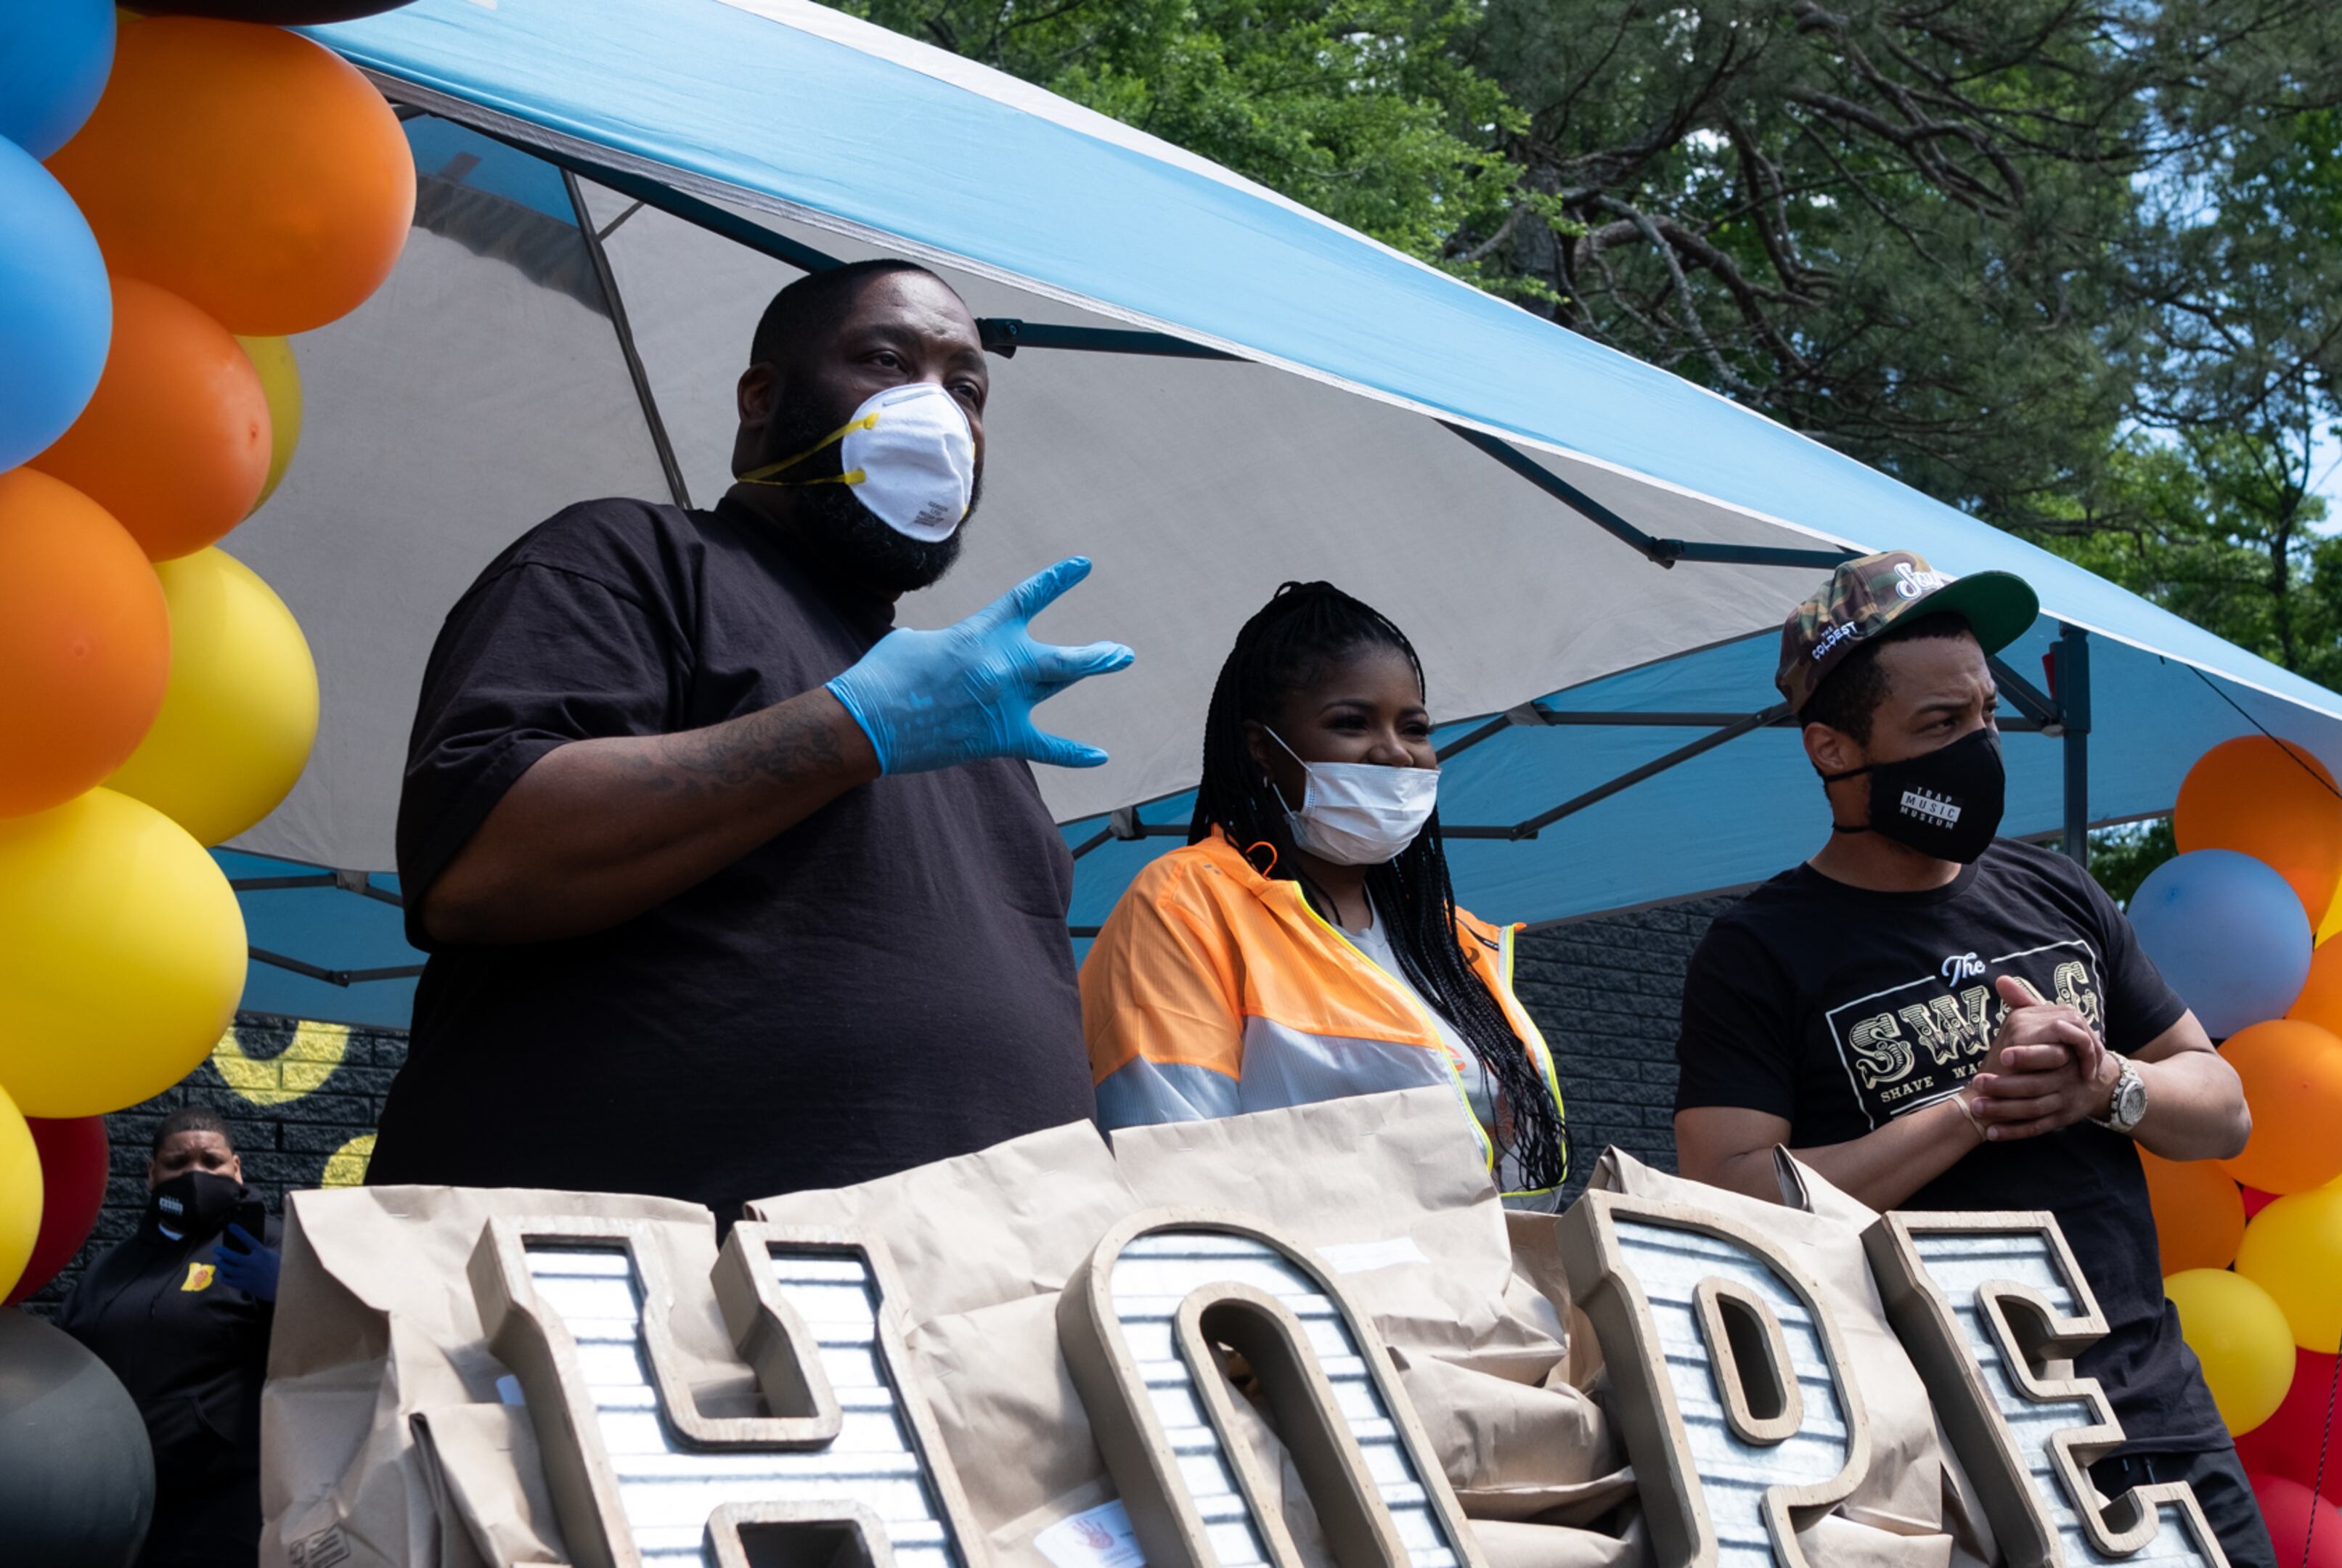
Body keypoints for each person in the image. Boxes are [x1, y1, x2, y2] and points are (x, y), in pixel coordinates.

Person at [370, 259, 1134, 1224]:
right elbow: (484, 862)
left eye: (967, 388)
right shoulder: (627, 561)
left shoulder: (963, 712)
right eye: (888, 361)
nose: (938, 411)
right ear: (762, 399)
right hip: (650, 1314)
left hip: (969, 1319)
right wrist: (849, 728)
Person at [1672, 552, 2265, 1566]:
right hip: (1930, 1464)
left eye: (1987, 715)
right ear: (1832, 748)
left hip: (2154, 1421)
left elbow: (2224, 1106)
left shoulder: (2061, 893)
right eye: (1940, 728)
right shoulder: (1759, 950)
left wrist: (2109, 1086)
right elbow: (1727, 1201)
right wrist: (1972, 1109)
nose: (1981, 749)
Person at [1081, 582, 1568, 1204]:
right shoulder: (1186, 905)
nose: (1396, 753)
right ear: (1263, 750)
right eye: (1351, 723)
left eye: (1415, 728)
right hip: (1297, 1296)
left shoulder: (1454, 941)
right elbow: (1174, 1167)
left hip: (1488, 1292)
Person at [59, 1110, 284, 1568]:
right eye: (178, 1164)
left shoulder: (273, 1251)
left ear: (237, 1169)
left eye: (211, 1161)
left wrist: (292, 1291)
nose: (195, 1174)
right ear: (151, 1175)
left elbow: (337, 1348)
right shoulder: (110, 1268)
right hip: (121, 1507)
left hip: (228, 1513)